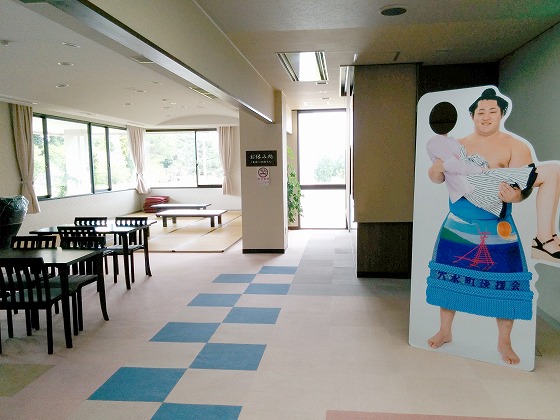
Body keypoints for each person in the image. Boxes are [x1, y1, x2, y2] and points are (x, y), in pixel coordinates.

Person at [425, 88, 560, 365]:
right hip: (459, 221)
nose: (486, 116)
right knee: (449, 279)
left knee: (506, 287)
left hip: (498, 225)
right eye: (481, 111)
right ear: (472, 115)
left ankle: (504, 341)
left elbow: (523, 189)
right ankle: (445, 330)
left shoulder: (515, 146)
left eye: (492, 111)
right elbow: (437, 176)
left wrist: (515, 197)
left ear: (501, 114)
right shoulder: (457, 144)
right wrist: (436, 169)